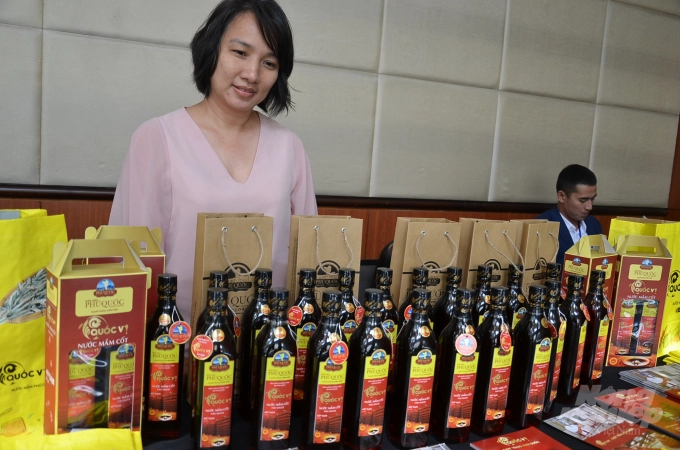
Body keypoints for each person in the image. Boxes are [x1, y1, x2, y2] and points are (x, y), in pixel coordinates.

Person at [109, 0, 317, 321]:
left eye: (269, 63)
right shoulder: (155, 138)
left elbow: (307, 260)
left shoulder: (290, 146)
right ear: (212, 48)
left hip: (265, 343)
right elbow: (132, 260)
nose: (251, 74)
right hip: (173, 342)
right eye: (240, 52)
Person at [536, 164, 602, 265]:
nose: (589, 207)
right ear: (562, 196)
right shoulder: (542, 226)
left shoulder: (594, 225)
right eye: (583, 200)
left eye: (592, 199)